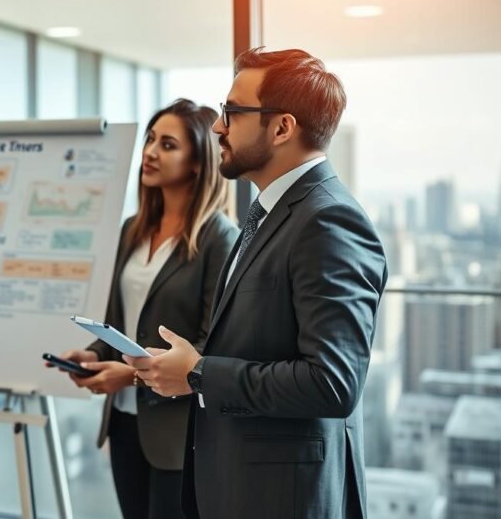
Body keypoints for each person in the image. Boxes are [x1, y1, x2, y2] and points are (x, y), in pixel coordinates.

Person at [128, 48, 388, 519]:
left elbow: (333, 383)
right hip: (240, 485)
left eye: (232, 112)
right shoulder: (269, 212)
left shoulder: (328, 219)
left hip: (282, 496)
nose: (218, 127)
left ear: (282, 127)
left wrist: (199, 372)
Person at [54, 99, 238, 519]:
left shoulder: (218, 239)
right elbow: (122, 320)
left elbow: (215, 341)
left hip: (178, 431)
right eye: (150, 140)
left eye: (168, 144)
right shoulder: (133, 229)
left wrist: (131, 376)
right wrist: (95, 355)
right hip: (123, 422)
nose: (150, 152)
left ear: (197, 162)